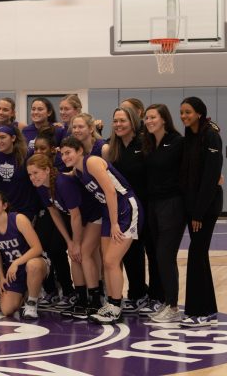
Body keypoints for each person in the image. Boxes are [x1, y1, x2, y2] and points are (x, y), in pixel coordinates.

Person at [59, 136, 142, 325]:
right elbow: (68, 175)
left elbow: (111, 192)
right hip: (109, 211)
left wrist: (114, 223)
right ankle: (112, 302)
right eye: (62, 154)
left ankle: (115, 305)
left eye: (68, 153)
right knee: (107, 261)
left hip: (125, 209)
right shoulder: (78, 171)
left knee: (111, 260)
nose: (65, 157)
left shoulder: (93, 162)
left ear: (80, 150)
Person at [27, 154, 103, 319]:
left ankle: (96, 301)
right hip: (78, 218)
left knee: (83, 252)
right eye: (30, 174)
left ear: (47, 170)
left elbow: (75, 215)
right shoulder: (40, 186)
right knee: (74, 254)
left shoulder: (62, 183)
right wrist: (69, 241)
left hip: (93, 214)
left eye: (35, 173)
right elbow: (54, 213)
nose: (32, 178)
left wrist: (75, 242)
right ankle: (82, 299)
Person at [102, 106, 152, 315]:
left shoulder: (143, 143)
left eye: (123, 121)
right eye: (115, 121)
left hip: (144, 205)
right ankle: (125, 295)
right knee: (125, 253)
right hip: (122, 209)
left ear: (132, 122)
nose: (119, 125)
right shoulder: (111, 146)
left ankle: (140, 293)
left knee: (139, 252)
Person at [179, 97, 223, 327]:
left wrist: (198, 213)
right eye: (182, 112)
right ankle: (207, 311)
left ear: (199, 113)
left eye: (188, 112)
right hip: (192, 205)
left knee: (196, 255)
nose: (184, 116)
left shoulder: (210, 135)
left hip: (205, 207)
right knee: (199, 255)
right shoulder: (190, 136)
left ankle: (201, 312)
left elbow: (210, 177)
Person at [141, 104, 186, 323]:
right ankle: (166, 302)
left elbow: (193, 165)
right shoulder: (149, 143)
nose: (148, 121)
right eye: (147, 118)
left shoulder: (177, 142)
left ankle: (173, 307)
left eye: (153, 117)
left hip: (172, 205)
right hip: (153, 205)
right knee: (157, 257)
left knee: (166, 256)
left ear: (164, 120)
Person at [0, 191, 49, 319]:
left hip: (35, 263)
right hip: (13, 272)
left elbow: (37, 248)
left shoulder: (18, 219)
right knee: (7, 310)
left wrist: (16, 262)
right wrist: (1, 277)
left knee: (33, 265)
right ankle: (26, 292)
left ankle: (32, 302)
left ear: (4, 206)